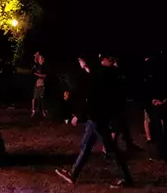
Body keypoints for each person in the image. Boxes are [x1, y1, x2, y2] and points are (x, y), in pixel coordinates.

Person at [56, 55, 135, 188]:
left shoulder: (100, 75)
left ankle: (126, 178)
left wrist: (79, 116)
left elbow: (92, 99)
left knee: (109, 149)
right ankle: (73, 173)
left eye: (81, 61)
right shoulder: (105, 74)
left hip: (97, 117)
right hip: (98, 117)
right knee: (86, 145)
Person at [145, 55, 167, 161]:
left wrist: (161, 100)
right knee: (163, 127)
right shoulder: (162, 74)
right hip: (159, 103)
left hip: (160, 103)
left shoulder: (156, 74)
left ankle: (165, 153)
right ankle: (166, 153)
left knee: (162, 127)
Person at [32, 53, 48, 118]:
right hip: (37, 85)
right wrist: (36, 55)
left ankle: (43, 111)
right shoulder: (37, 66)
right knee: (34, 98)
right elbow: (33, 72)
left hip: (42, 85)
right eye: (39, 58)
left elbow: (45, 75)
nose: (40, 59)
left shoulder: (44, 67)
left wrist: (38, 75)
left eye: (41, 58)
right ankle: (34, 111)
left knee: (42, 99)